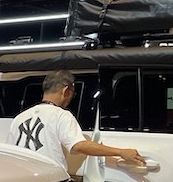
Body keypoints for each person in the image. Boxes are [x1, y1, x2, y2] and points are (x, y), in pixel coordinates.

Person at [7, 70, 146, 171]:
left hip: (22, 178)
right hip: (48, 179)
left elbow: (9, 152)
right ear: (66, 90)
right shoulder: (61, 115)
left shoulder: (20, 118)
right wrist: (121, 152)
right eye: (73, 94)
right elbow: (78, 145)